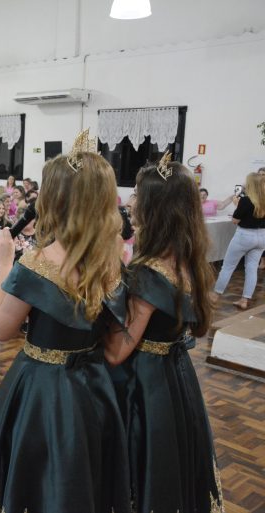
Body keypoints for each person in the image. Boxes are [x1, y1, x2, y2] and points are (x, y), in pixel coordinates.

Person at [0, 147, 130, 513]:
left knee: (39, 475)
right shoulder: (111, 259)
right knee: (83, 473)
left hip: (43, 389)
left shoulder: (39, 262)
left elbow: (0, 328)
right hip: (96, 386)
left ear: (56, 199)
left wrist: (4, 262)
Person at [104, 157, 224, 513]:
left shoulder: (148, 273)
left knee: (143, 467)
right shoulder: (189, 259)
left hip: (145, 383)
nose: (130, 201)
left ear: (156, 207)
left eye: (138, 194)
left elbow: (116, 352)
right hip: (177, 375)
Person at [211, 172, 265, 309]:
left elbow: (235, 220)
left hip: (245, 236)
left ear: (250, 185)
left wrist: (237, 204)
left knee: (228, 266)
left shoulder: (246, 200)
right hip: (262, 237)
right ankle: (245, 300)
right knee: (252, 269)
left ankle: (215, 295)